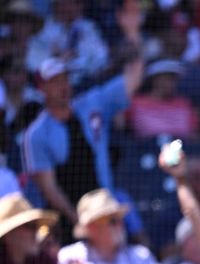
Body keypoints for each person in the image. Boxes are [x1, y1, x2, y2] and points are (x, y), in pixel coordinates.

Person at [22, 55, 145, 243]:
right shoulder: (36, 135)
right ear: (41, 88)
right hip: (69, 223)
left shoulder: (90, 105)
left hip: (106, 207)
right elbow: (49, 189)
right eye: (55, 82)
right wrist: (80, 222)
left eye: (65, 79)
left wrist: (132, 33)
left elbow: (132, 80)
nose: (63, 86)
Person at [0, 192, 64, 264]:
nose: (35, 233)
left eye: (36, 227)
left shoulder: (41, 259)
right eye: (30, 226)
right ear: (8, 235)